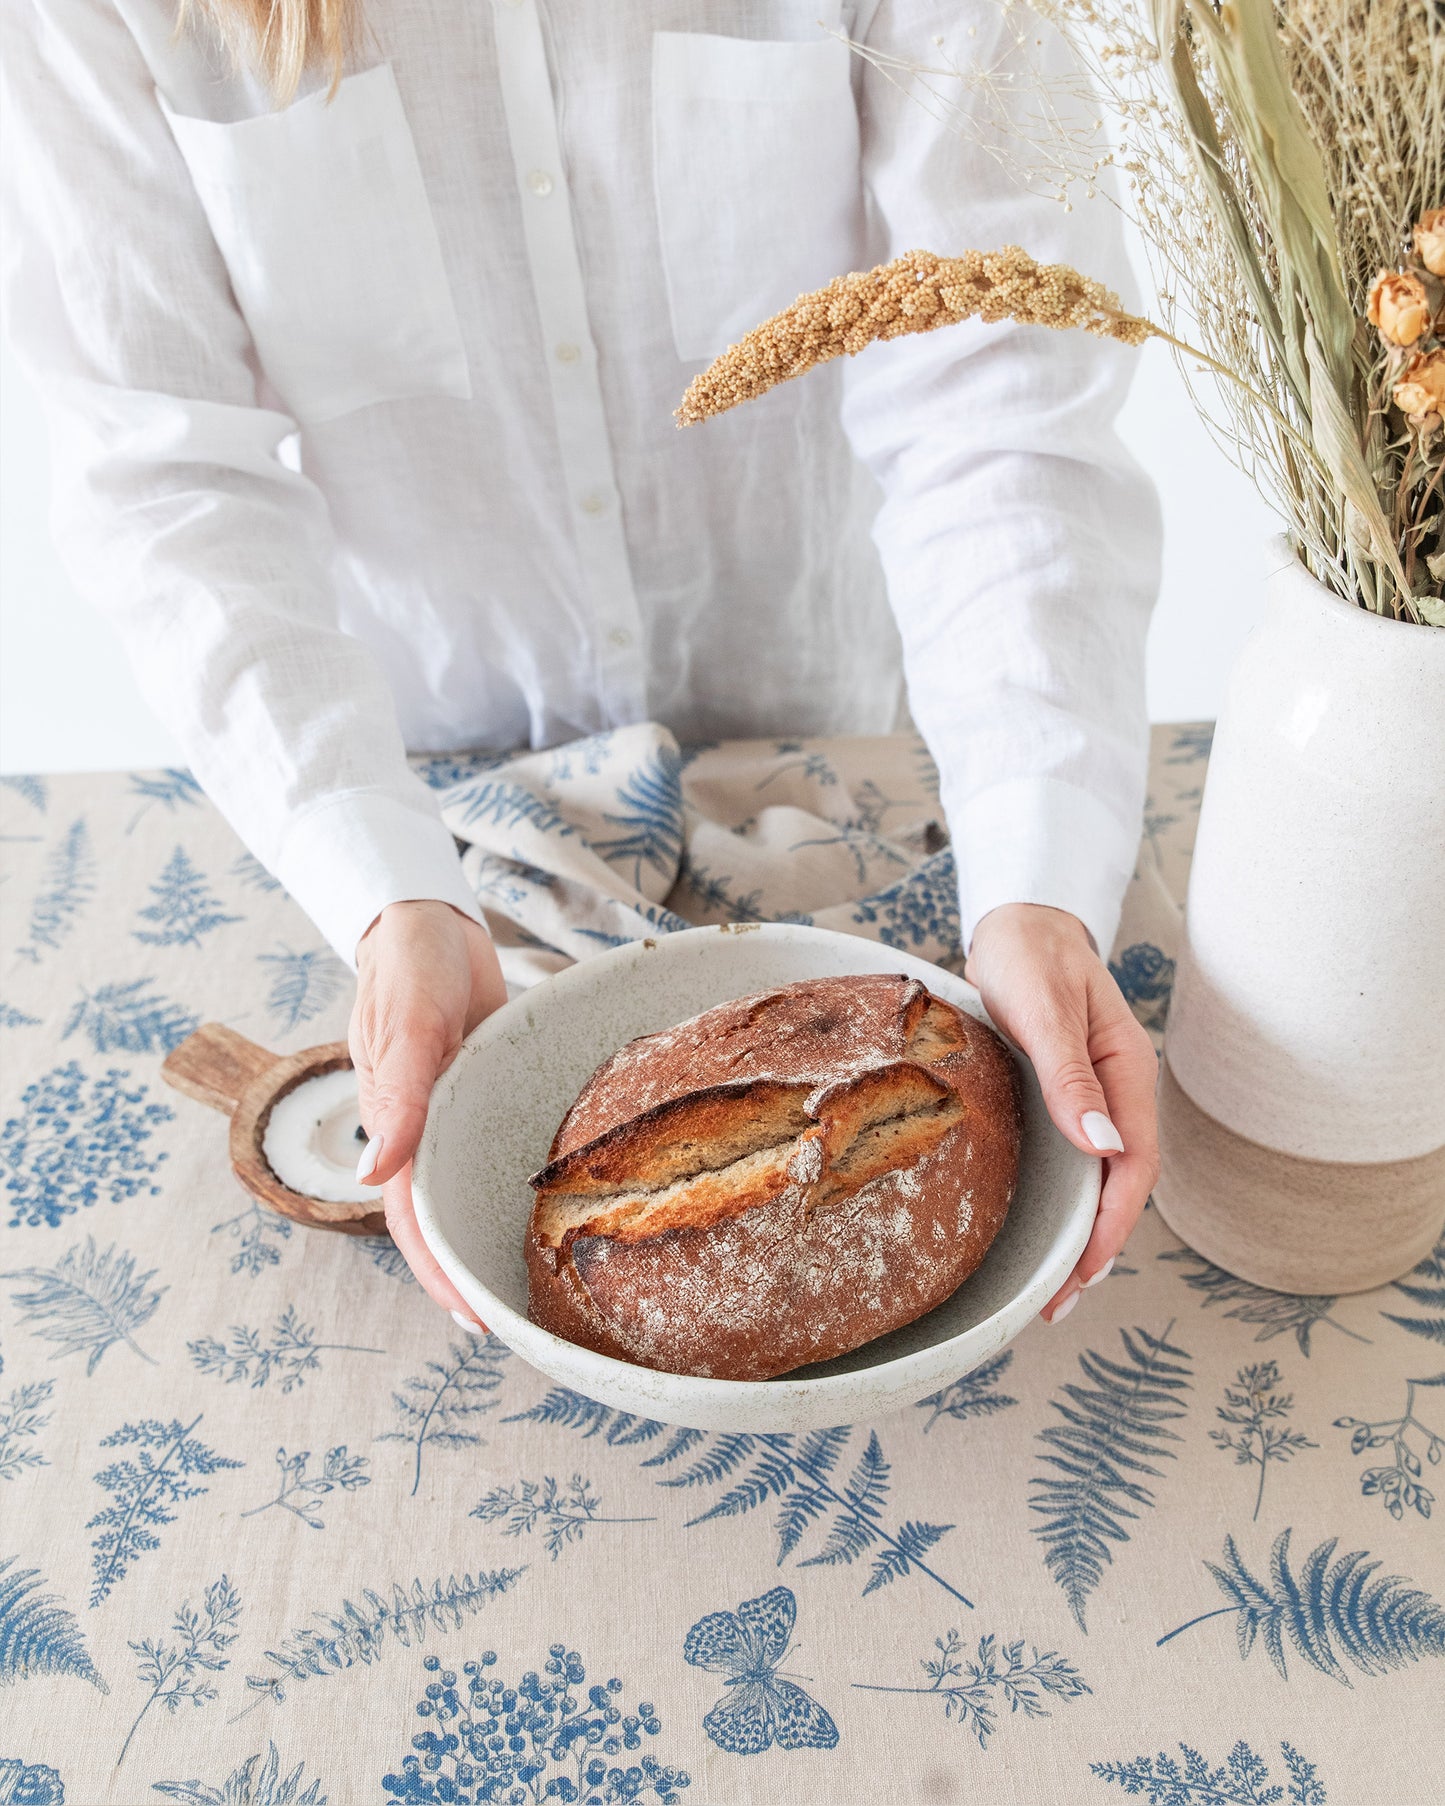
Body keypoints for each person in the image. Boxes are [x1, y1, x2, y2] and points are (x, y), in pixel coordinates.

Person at [1, 0, 1162, 1329]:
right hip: (425, 814)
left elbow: (998, 374)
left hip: (835, 761)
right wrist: (388, 897)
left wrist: (1037, 880)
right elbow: (165, 474)